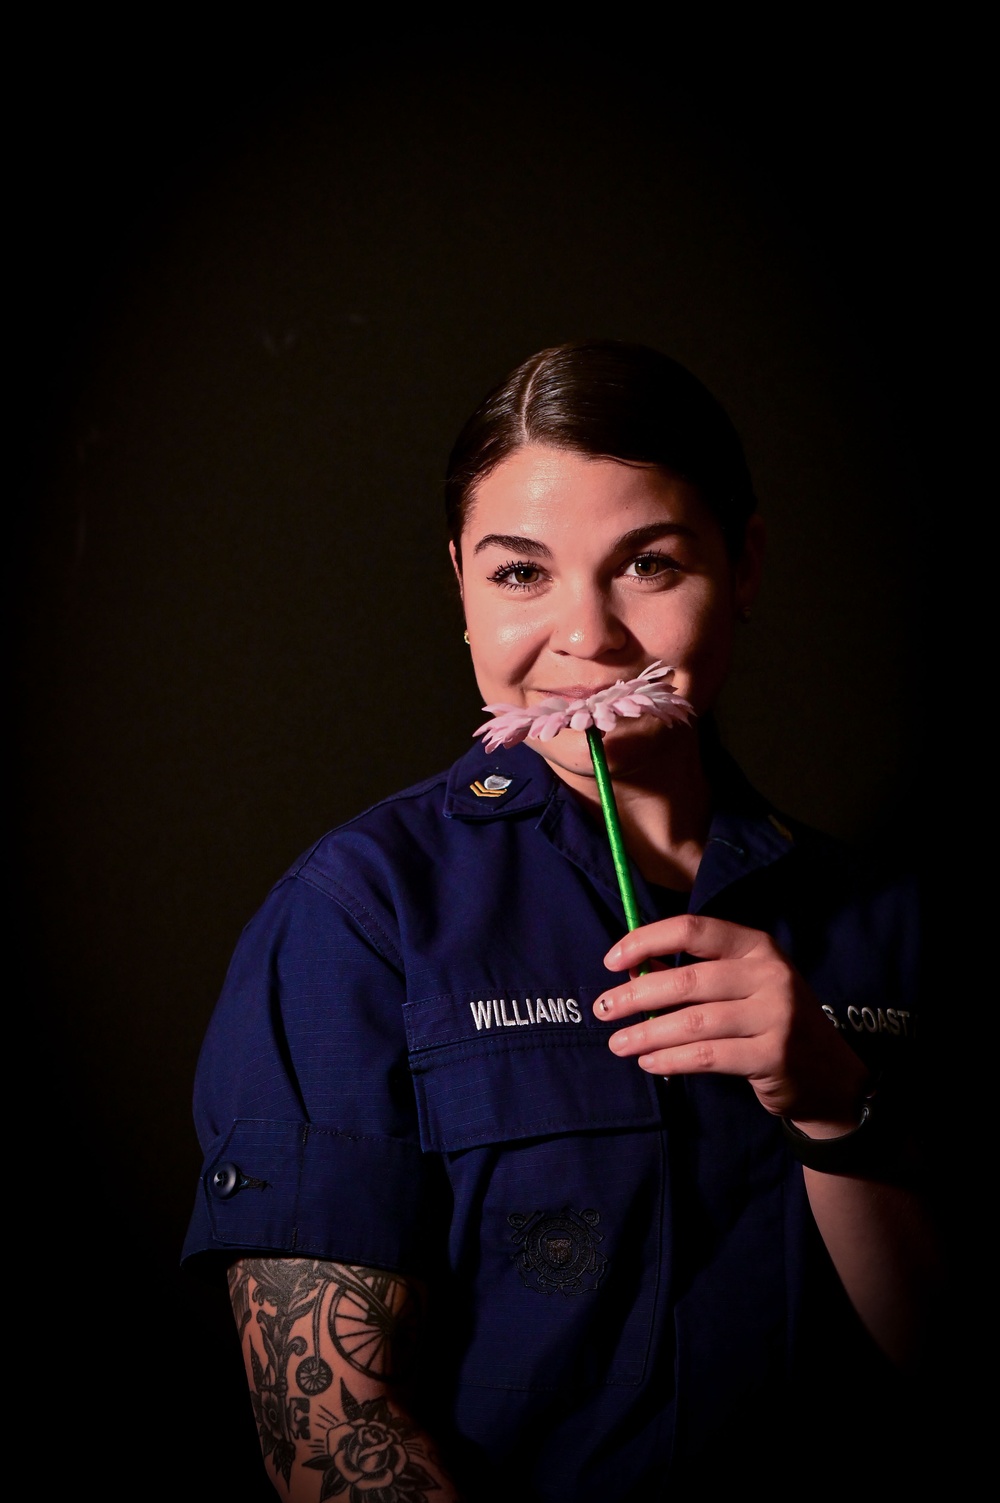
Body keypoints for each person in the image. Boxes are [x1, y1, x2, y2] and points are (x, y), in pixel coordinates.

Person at [181, 340, 942, 1501]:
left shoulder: (890, 921)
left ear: (741, 565)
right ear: (459, 584)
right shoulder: (357, 917)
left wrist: (834, 1107)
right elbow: (327, 1432)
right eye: (520, 574)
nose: (586, 639)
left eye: (647, 565)